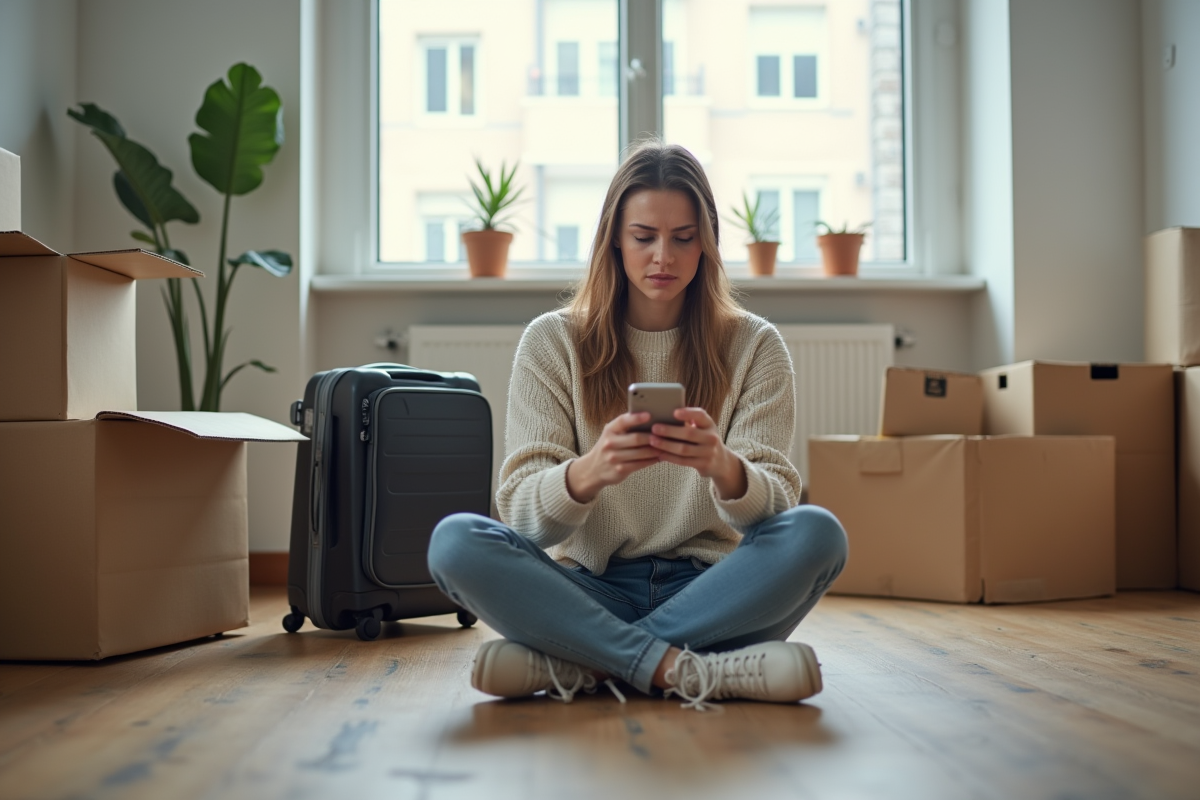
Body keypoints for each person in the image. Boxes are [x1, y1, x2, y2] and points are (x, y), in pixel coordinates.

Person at [427, 140, 848, 711]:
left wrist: (725, 469)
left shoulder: (756, 346)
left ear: (707, 243)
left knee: (819, 532)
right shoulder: (553, 341)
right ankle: (687, 670)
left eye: (684, 238)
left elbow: (776, 514)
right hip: (588, 589)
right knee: (455, 541)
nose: (663, 258)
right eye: (644, 237)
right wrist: (588, 473)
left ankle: (582, 663)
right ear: (615, 241)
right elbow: (522, 516)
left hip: (712, 590)